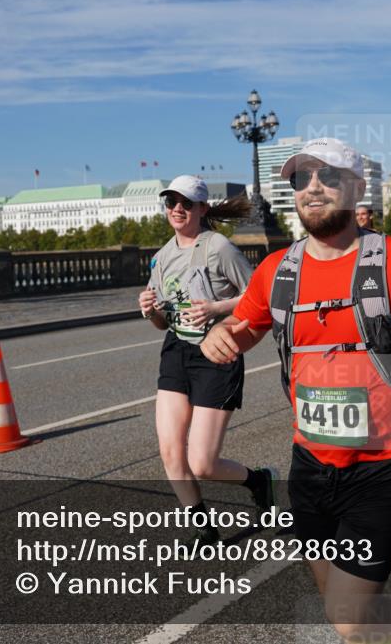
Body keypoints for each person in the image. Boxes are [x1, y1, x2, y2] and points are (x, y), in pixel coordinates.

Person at [201, 138, 391, 644]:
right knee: (338, 607)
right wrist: (224, 334)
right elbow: (246, 325)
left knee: (346, 618)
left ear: (356, 187)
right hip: (310, 464)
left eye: (328, 177)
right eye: (302, 180)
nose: (314, 188)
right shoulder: (278, 270)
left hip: (382, 465)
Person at [138, 175, 275, 545]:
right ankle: (202, 526)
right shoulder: (163, 257)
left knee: (203, 463)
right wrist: (149, 310)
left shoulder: (218, 248)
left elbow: (257, 296)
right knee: (169, 449)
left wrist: (217, 306)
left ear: (202, 208)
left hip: (217, 353)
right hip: (176, 351)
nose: (177, 209)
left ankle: (259, 480)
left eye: (185, 203)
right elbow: (160, 322)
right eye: (171, 203)